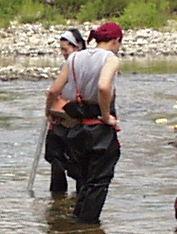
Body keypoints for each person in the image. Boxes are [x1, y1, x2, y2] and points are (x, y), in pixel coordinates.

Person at [45, 21, 122, 223]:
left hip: (76, 130)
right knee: (98, 183)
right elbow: (104, 87)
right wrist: (106, 116)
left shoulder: (74, 58)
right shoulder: (111, 59)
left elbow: (53, 91)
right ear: (116, 40)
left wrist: (49, 113)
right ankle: (86, 231)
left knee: (84, 181)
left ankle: (76, 226)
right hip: (99, 130)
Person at [45, 28, 86, 195]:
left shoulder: (73, 64)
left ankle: (61, 200)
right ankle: (64, 199)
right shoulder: (70, 63)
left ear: (77, 47)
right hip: (72, 117)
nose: (63, 53)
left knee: (66, 161)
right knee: (61, 161)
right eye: (61, 50)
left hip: (71, 118)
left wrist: (48, 109)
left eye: (65, 50)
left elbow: (54, 91)